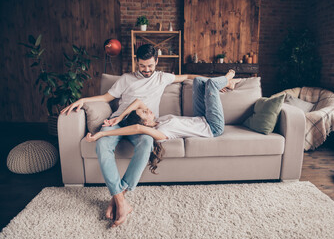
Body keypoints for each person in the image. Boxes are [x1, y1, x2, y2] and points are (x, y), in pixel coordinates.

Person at [60, 44, 233, 227]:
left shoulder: (162, 77)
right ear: (137, 62)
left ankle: (118, 198)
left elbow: (189, 77)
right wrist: (83, 100)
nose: (147, 70)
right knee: (102, 145)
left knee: (146, 145)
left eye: (150, 65)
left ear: (156, 61)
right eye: (142, 66)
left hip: (144, 123)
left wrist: (214, 82)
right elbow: (106, 98)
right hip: (116, 121)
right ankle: (121, 202)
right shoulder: (126, 79)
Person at [85, 69, 239, 173]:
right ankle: (228, 81)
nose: (148, 109)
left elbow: (138, 101)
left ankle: (223, 83)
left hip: (201, 117)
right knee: (211, 83)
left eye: (145, 109)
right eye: (145, 113)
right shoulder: (159, 133)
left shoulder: (158, 120)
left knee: (198, 81)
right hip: (212, 126)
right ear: (145, 124)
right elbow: (137, 129)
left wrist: (120, 116)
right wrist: (100, 135)